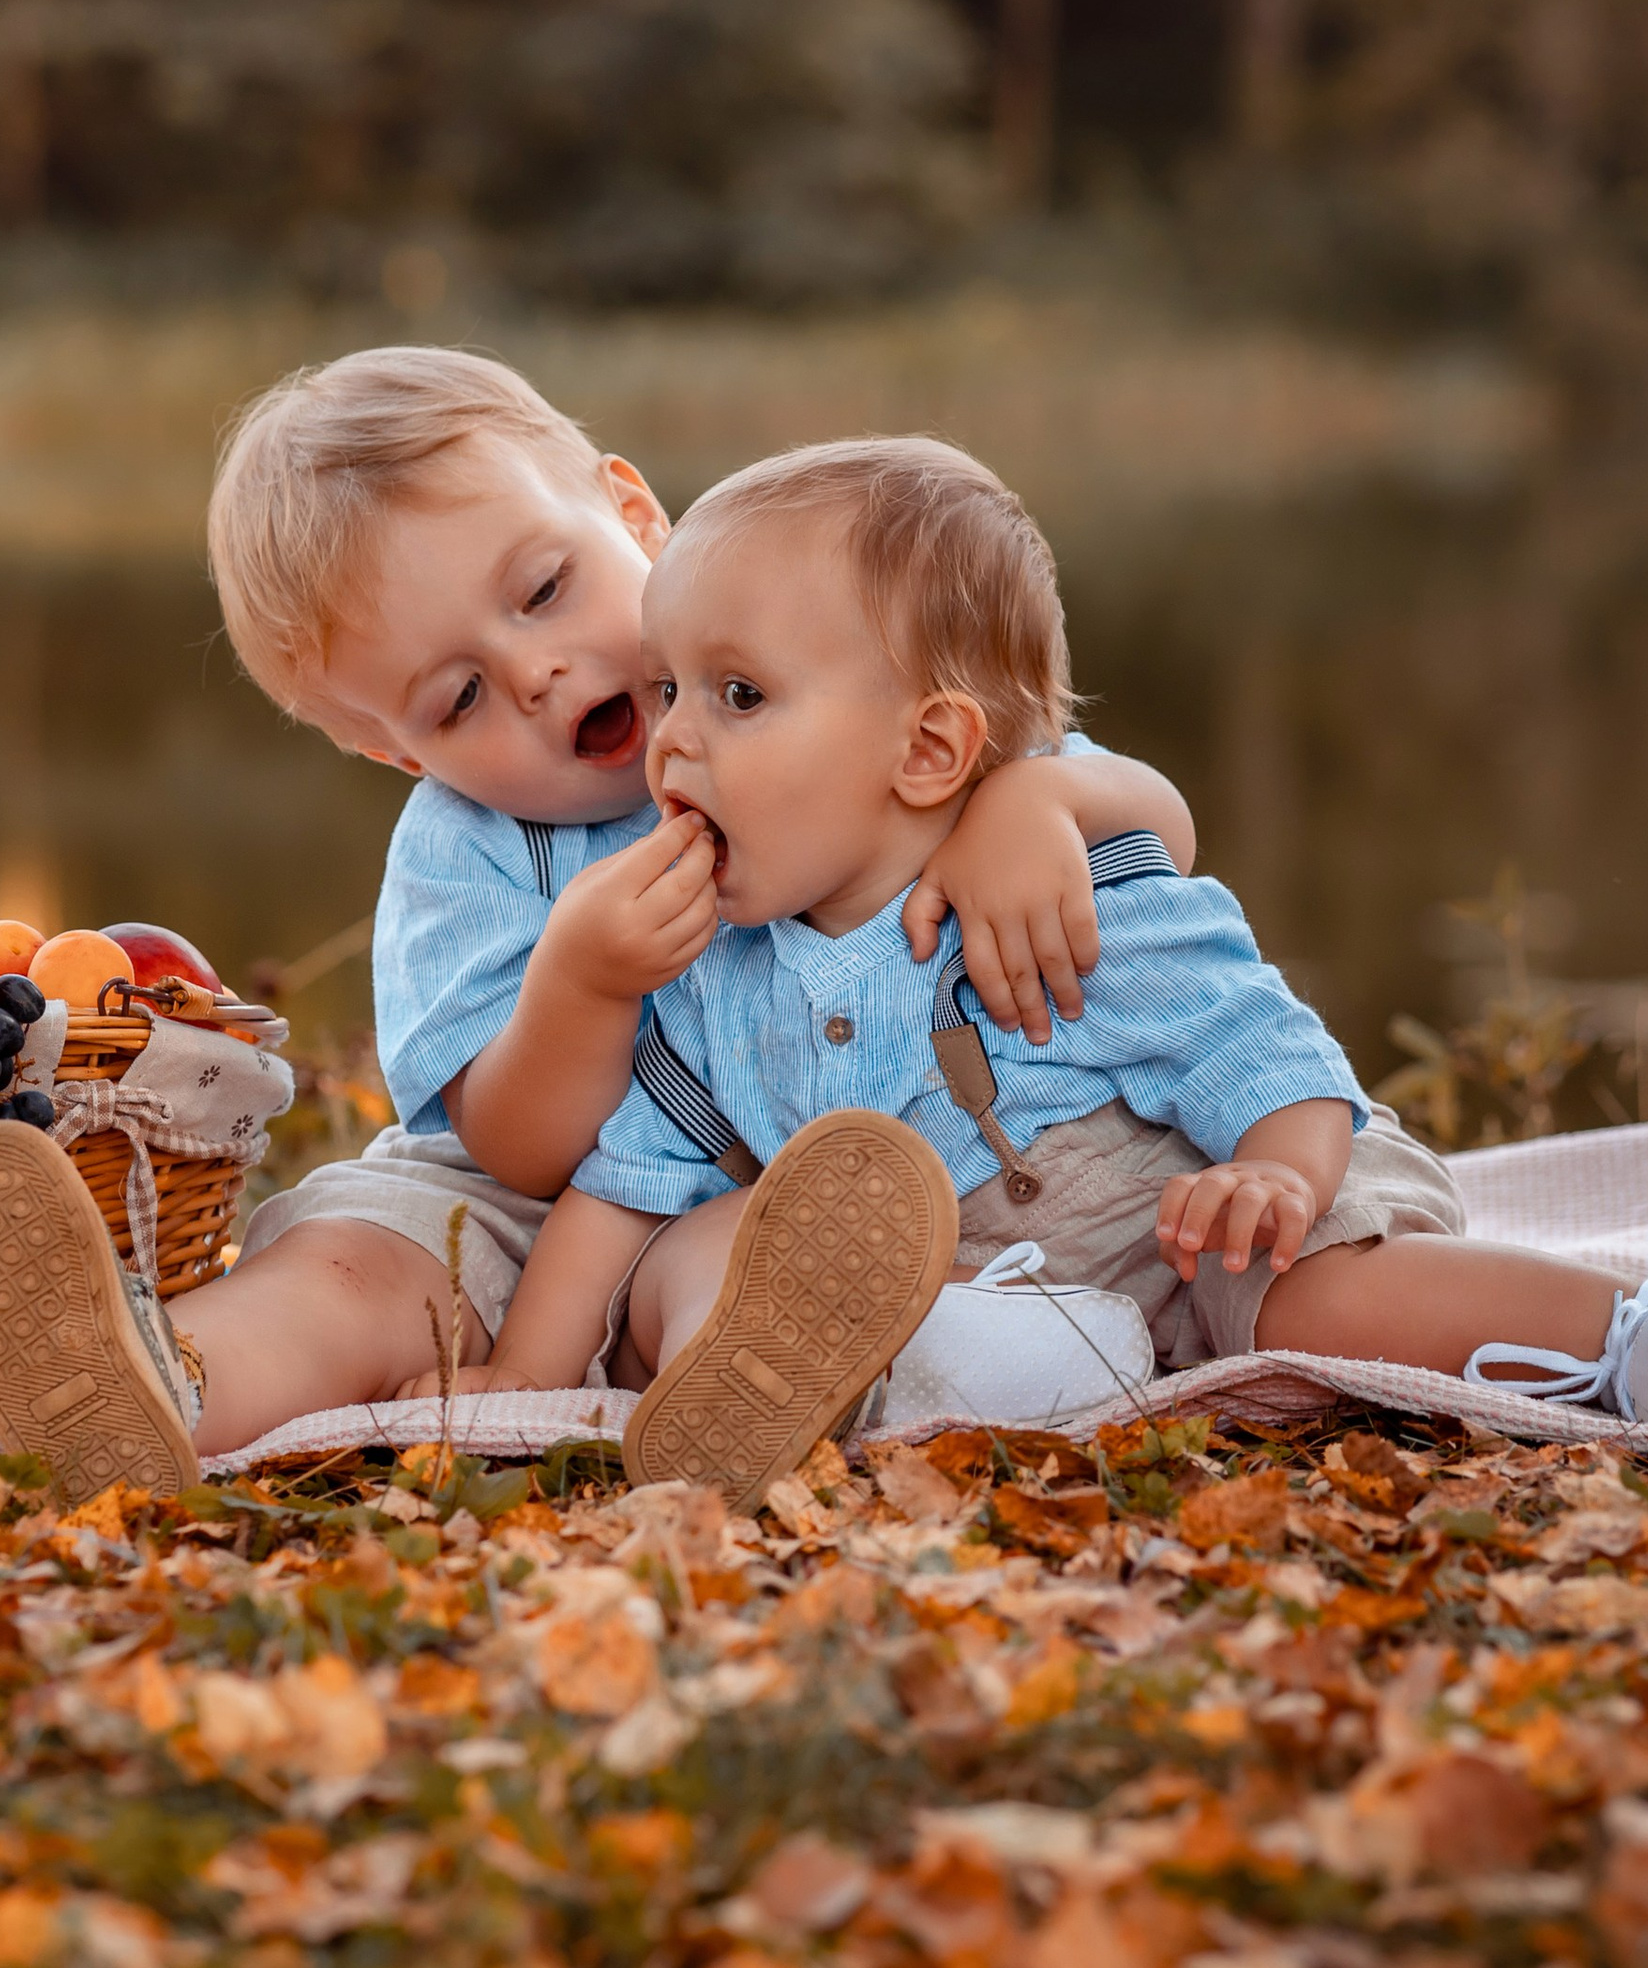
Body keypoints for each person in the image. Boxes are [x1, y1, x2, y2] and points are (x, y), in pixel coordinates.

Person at [0, 355, 1193, 1497]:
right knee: (358, 1264)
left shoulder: (818, 653)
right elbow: (511, 1149)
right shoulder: (472, 851)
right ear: (395, 755)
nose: (535, 673)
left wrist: (1041, 793)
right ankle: (152, 1382)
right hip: (533, 1204)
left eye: (546, 589)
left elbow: (1162, 847)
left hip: (787, 1176)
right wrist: (583, 981)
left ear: (632, 514)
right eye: (458, 700)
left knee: (767, 1253)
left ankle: (742, 1390)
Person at [526, 435, 1645, 1507]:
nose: (667, 742)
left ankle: (1613, 1331)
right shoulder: (708, 971)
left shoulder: (1060, 894)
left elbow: (1267, 1051)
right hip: (1027, 1294)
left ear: (926, 751)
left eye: (737, 696)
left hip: (1236, 1210)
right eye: (665, 686)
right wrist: (516, 1378)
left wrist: (1277, 1175)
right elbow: (624, 1181)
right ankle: (1002, 1373)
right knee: (741, 1256)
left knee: (1317, 1309)